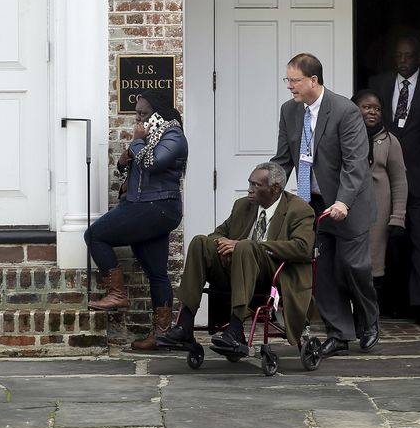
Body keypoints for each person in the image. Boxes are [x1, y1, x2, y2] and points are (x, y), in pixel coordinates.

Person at [272, 53, 379, 358]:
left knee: (352, 267)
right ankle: (340, 334)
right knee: (320, 272)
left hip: (350, 203)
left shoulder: (344, 111)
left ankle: (369, 320)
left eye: (294, 80)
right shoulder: (289, 112)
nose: (289, 86)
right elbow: (283, 158)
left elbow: (355, 164)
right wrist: (265, 188)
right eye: (288, 80)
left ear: (313, 81)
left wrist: (343, 201)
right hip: (313, 203)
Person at [157, 163, 315, 354]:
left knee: (246, 246)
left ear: (275, 189)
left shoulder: (299, 209)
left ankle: (235, 329)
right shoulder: (243, 205)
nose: (249, 189)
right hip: (236, 271)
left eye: (256, 185)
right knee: (200, 242)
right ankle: (185, 326)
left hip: (273, 276)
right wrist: (224, 246)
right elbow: (216, 235)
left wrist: (247, 247)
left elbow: (303, 248)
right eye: (250, 183)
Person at [84, 91, 188, 351]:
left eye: (143, 113)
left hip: (156, 206)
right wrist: (124, 160)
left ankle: (117, 294)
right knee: (157, 273)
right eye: (137, 114)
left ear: (157, 111)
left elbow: (153, 163)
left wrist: (137, 143)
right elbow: (133, 167)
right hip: (149, 206)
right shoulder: (152, 136)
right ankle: (161, 336)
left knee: (95, 235)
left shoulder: (173, 134)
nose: (138, 118)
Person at [369, 36, 420, 325]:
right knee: (389, 241)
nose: (404, 61)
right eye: (399, 56)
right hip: (384, 179)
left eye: (409, 56)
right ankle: (392, 301)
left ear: (419, 58)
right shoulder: (378, 84)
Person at [351, 89, 408, 308]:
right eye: (366, 107)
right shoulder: (345, 138)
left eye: (377, 109)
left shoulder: (390, 141)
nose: (372, 112)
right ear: (354, 109)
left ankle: (370, 315)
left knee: (374, 265)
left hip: (379, 215)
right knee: (349, 263)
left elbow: (400, 181)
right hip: (349, 211)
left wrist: (398, 217)